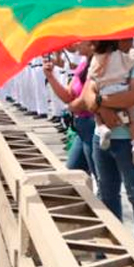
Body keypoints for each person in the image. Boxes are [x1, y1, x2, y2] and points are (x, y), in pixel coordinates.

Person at [76, 39, 134, 246]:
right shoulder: (100, 60)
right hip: (102, 137)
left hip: (129, 138)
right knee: (107, 191)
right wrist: (101, 107)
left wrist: (100, 102)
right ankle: (114, 241)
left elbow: (133, 96)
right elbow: (87, 95)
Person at [44, 41, 98, 174]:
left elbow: (84, 101)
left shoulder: (98, 64)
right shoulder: (83, 64)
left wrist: (71, 107)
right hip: (82, 127)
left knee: (101, 179)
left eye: (80, 41)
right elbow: (68, 96)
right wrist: (50, 77)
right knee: (73, 172)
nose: (77, 44)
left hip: (94, 126)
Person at [89, 43, 134, 165]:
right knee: (131, 121)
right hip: (121, 90)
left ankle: (103, 128)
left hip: (104, 91)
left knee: (97, 112)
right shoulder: (120, 56)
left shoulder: (96, 58)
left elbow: (92, 75)